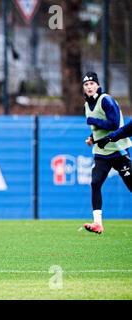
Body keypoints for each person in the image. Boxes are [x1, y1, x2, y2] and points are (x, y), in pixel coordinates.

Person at [82, 71, 132, 234]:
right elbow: (97, 130)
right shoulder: (86, 105)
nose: (89, 87)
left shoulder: (106, 100)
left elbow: (114, 124)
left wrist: (93, 121)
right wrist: (91, 137)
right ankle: (98, 223)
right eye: (86, 84)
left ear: (97, 85)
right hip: (101, 153)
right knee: (95, 183)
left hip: (118, 151)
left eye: (92, 84)